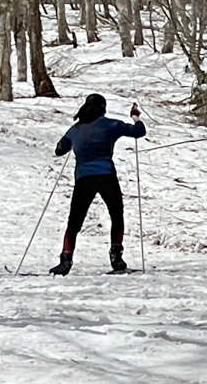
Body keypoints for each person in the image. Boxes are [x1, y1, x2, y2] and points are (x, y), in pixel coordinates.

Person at [49, 94, 146, 276]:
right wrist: (135, 116)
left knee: (74, 221)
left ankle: (66, 260)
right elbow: (139, 132)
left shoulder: (76, 129)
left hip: (83, 179)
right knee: (116, 215)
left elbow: (59, 149)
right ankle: (116, 257)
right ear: (103, 108)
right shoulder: (110, 125)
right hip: (106, 176)